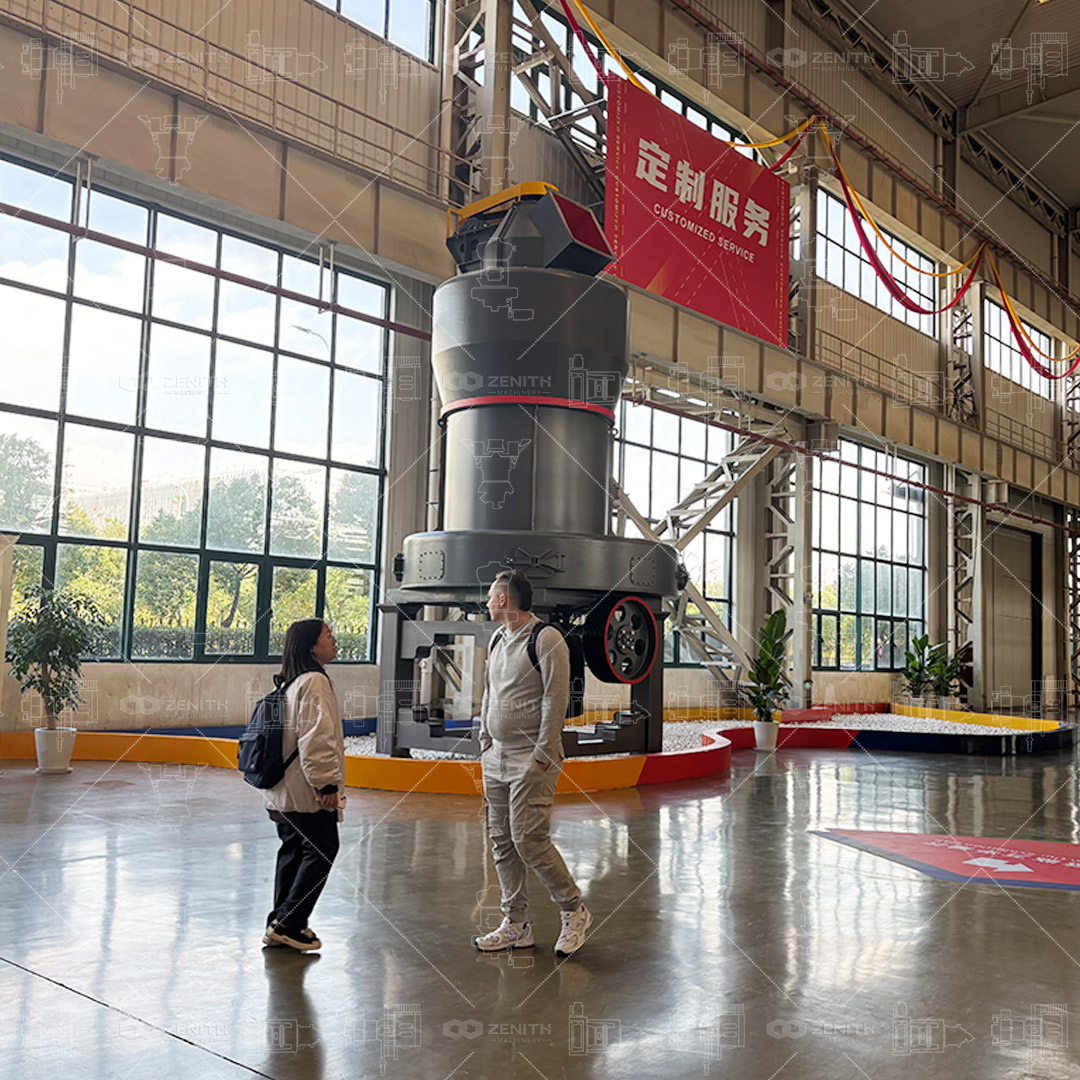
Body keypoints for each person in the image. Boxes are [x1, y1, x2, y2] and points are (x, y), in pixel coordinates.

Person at [475, 570, 592, 958]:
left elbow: (555, 701)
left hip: (531, 759)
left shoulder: (546, 639)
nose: (487, 602)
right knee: (502, 841)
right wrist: (485, 741)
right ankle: (516, 924)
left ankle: (574, 911)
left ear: (503, 600)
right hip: (496, 757)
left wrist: (541, 756)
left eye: (491, 596)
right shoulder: (497, 638)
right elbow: (489, 692)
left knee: (529, 840)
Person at [262, 619, 345, 952]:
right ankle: (290, 923)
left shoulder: (291, 681)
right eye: (328, 636)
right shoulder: (314, 682)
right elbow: (317, 739)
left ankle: (279, 923)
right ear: (312, 647)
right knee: (324, 848)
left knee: (294, 851)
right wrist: (327, 785)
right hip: (305, 791)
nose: (334, 640)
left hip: (282, 791)